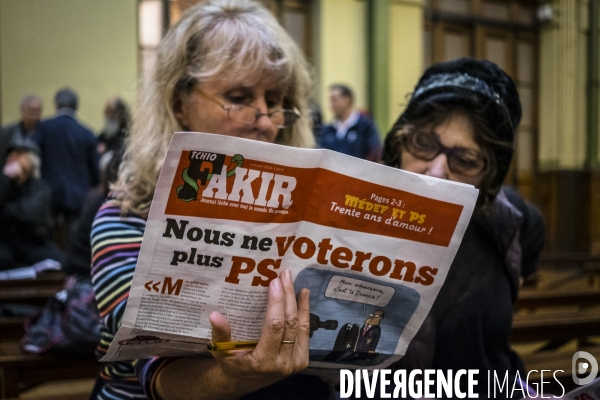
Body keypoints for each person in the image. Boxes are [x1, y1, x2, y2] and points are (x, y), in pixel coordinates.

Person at [90, 1, 333, 399]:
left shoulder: (303, 216)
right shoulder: (127, 217)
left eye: (274, 101)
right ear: (179, 104)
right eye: (239, 97)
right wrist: (235, 378)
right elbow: (158, 371)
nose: (266, 119)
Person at [381, 58, 545, 398]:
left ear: (489, 177)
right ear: (399, 142)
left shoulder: (511, 219)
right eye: (424, 145)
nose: (437, 171)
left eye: (465, 160)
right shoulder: (355, 211)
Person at [34, 88, 100, 226]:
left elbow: (33, 156)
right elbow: (96, 170)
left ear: (56, 105)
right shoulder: (87, 133)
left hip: (49, 194)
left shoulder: (43, 128)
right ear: (76, 107)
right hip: (79, 196)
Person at [0, 136, 63, 270]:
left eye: (19, 155)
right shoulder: (3, 183)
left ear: (32, 162)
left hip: (33, 243)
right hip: (5, 243)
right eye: (10, 154)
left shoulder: (41, 187)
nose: (13, 158)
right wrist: (5, 178)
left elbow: (29, 213)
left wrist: (5, 209)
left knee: (57, 261)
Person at [319, 84, 382, 161]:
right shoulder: (326, 130)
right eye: (330, 100)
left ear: (347, 99)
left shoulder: (365, 126)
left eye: (334, 100)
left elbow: (375, 152)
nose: (331, 105)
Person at [0, 95, 43, 166]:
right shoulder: (6, 133)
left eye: (38, 112)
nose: (35, 116)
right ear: (23, 111)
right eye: (31, 112)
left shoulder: (44, 132)